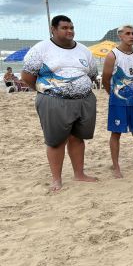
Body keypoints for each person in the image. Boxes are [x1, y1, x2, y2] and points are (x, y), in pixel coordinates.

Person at [21, 15, 98, 191]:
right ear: (53, 30)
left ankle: (79, 174)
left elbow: (92, 75)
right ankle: (57, 179)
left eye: (71, 27)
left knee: (78, 138)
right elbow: (27, 76)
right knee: (56, 141)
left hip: (84, 101)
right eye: (64, 28)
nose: (69, 31)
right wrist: (47, 91)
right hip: (53, 101)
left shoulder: (84, 50)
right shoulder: (41, 49)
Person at [101, 24, 133, 178]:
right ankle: (116, 167)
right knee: (116, 134)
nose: (131, 36)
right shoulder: (112, 55)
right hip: (118, 102)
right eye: (128, 33)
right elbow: (105, 80)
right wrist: (114, 96)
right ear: (120, 36)